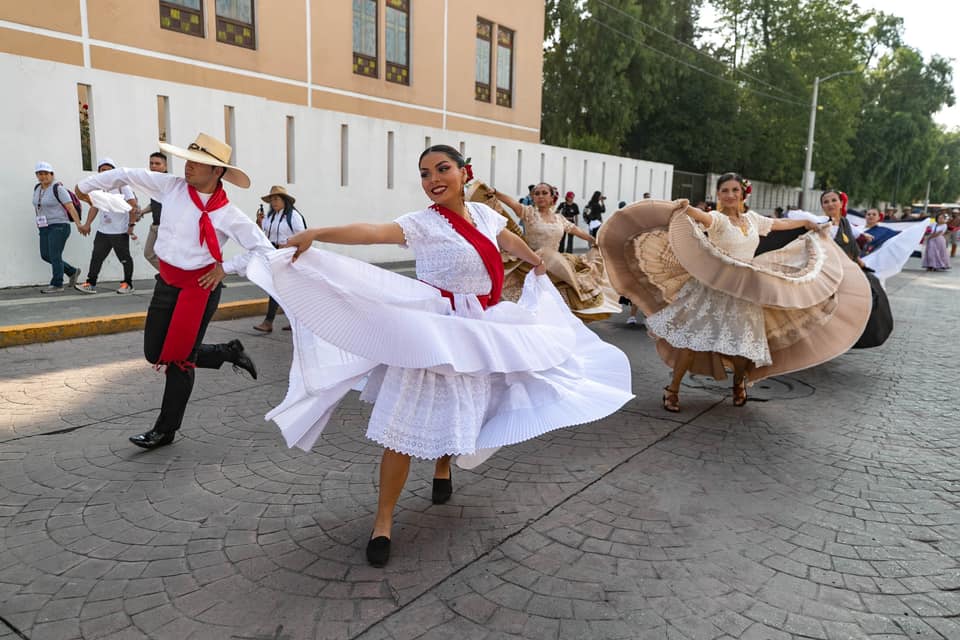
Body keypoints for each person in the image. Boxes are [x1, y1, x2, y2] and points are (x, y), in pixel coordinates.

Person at [250, 144, 633, 568]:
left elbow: (505, 238)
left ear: (463, 172)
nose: (433, 178)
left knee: (459, 412)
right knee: (401, 429)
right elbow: (373, 231)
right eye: (425, 172)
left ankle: (442, 469)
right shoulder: (422, 223)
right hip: (432, 333)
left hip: (479, 328)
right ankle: (383, 521)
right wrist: (319, 232)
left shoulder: (486, 215)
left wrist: (533, 261)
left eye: (442, 169)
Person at [601, 174, 869, 412]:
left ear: (742, 194)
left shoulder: (753, 220)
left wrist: (807, 225)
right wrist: (685, 208)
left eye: (734, 190)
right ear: (719, 195)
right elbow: (700, 216)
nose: (729, 195)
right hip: (711, 289)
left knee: (743, 348)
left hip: (744, 291)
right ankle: (672, 390)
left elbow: (778, 224)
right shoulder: (717, 219)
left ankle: (739, 382)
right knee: (690, 343)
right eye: (724, 191)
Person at [75, 133, 268, 450]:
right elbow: (125, 174)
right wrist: (86, 187)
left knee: (180, 361)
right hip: (167, 281)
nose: (188, 167)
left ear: (217, 172)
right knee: (155, 351)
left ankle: (165, 430)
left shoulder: (229, 214)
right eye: (188, 160)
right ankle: (228, 352)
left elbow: (263, 250)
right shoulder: (172, 186)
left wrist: (226, 267)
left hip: (200, 288)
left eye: (197, 163)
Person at [494, 183, 622, 322]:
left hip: (555, 264)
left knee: (558, 299)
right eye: (537, 193)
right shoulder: (529, 212)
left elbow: (574, 229)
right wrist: (496, 193)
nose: (540, 196)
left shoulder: (559, 219)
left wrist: (593, 240)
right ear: (533, 198)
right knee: (536, 302)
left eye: (544, 193)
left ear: (552, 197)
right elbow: (512, 203)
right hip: (532, 263)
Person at [819, 190, 893, 348]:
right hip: (832, 271)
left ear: (841, 203)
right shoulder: (822, 225)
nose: (830, 204)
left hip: (850, 268)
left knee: (874, 287)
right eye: (826, 202)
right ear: (822, 207)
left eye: (834, 200)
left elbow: (851, 245)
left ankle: (863, 334)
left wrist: (859, 261)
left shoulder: (845, 222)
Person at [74, 158, 139, 294]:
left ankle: (128, 284)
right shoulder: (98, 188)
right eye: (102, 170)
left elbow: (133, 206)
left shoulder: (122, 186)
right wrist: (87, 224)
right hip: (103, 230)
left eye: (108, 170)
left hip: (119, 230)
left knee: (124, 258)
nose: (105, 172)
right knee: (96, 257)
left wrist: (131, 225)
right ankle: (90, 283)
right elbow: (95, 207)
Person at [253, 186, 306, 332]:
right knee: (283, 289)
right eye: (272, 199)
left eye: (276, 199)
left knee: (277, 287)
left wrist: (289, 246)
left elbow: (303, 236)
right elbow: (262, 232)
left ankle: (269, 322)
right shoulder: (270, 217)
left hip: (288, 255)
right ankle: (297, 322)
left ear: (284, 200)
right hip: (273, 253)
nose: (273, 202)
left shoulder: (293, 216)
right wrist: (259, 222)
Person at [32, 161, 83, 293]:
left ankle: (57, 283)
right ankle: (72, 271)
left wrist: (79, 225)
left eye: (45, 173)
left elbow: (71, 208)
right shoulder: (37, 188)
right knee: (46, 255)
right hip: (44, 226)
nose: (42, 176)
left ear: (51, 174)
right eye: (39, 174)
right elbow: (38, 207)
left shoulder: (58, 189)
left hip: (59, 226)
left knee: (55, 254)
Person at [140, 151, 168, 271]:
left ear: (165, 166)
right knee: (148, 253)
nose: (154, 166)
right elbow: (154, 204)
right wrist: (142, 212)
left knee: (168, 256)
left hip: (167, 227)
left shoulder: (169, 182)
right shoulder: (153, 182)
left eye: (157, 163)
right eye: (151, 163)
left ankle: (170, 278)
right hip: (155, 226)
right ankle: (167, 275)